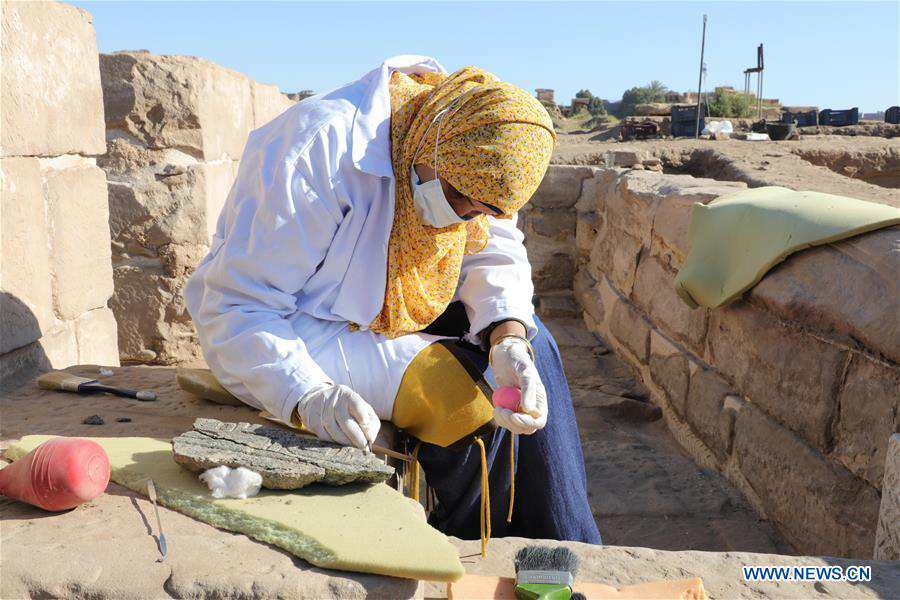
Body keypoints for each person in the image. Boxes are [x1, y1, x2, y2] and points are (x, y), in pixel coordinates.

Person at [184, 56, 601, 545]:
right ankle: (467, 549)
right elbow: (236, 305)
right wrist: (306, 394)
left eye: (483, 210)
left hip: (399, 296)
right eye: (459, 195)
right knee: (460, 397)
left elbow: (495, 250)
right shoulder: (319, 148)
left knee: (535, 349)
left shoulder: (472, 164)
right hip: (304, 321)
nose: (464, 216)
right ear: (431, 144)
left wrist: (507, 336)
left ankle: (566, 548)